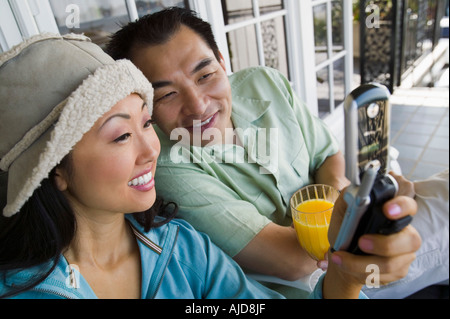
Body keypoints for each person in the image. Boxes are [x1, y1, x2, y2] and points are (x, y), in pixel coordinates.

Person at [0, 33, 417, 300]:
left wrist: (344, 279)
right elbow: (292, 261)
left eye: (144, 124)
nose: (150, 150)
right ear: (55, 168)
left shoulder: (181, 249)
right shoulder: (30, 290)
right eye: (121, 135)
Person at [106, 7, 448, 298]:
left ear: (222, 63)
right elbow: (293, 260)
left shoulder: (263, 83)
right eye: (167, 95)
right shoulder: (167, 164)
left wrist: (345, 202)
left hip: (347, 229)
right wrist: (344, 209)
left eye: (206, 74)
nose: (198, 104)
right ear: (145, 108)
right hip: (318, 277)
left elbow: (328, 156)